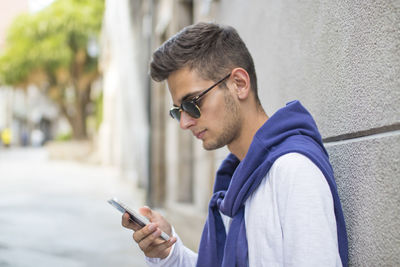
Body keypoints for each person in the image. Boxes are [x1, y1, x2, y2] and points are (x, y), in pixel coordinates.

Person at [121, 22, 348, 267]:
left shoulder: (294, 172)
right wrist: (167, 253)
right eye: (178, 111)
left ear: (239, 83)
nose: (184, 122)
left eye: (192, 103)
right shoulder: (236, 178)